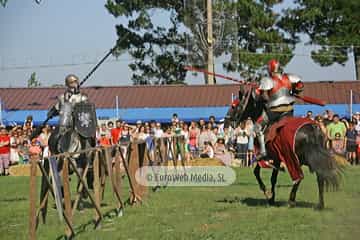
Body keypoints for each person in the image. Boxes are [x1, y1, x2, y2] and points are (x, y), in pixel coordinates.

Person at [255, 59, 304, 160]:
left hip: (275, 111)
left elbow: (264, 96)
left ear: (270, 69)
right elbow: (300, 86)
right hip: (289, 110)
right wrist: (294, 91)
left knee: (257, 126)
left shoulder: (267, 80)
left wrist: (263, 94)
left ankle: (263, 151)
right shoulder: (290, 77)